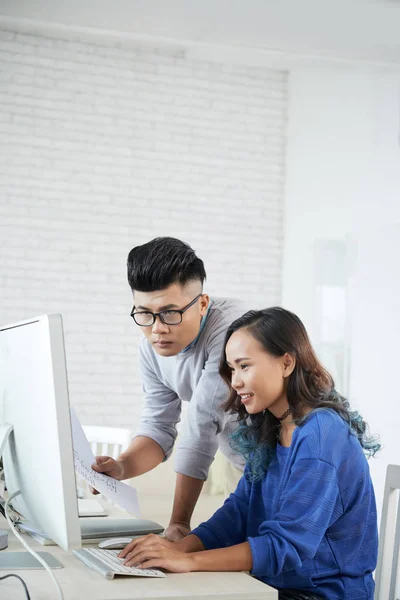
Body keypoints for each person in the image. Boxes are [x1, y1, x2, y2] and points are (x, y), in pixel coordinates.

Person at [117, 307, 380, 600]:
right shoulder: (272, 427)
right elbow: (239, 512)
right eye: (231, 369)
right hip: (272, 588)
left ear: (287, 363)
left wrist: (188, 561)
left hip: (323, 595)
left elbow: (287, 545)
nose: (235, 381)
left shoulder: (321, 434)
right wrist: (180, 547)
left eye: (244, 366)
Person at [92, 237, 246, 540]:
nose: (157, 328)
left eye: (170, 313)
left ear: (202, 303)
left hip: (295, 466)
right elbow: (157, 426)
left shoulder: (232, 328)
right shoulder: (151, 349)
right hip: (249, 471)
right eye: (144, 313)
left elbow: (203, 420)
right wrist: (122, 467)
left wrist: (178, 523)